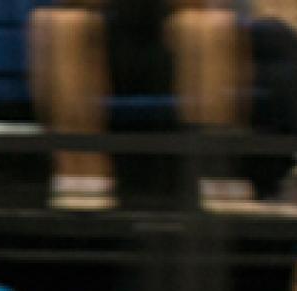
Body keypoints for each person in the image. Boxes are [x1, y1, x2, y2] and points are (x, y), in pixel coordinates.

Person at [29, 0, 248, 210]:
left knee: (212, 25)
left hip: (171, 43)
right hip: (103, 40)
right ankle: (79, 170)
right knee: (65, 23)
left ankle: (214, 167)